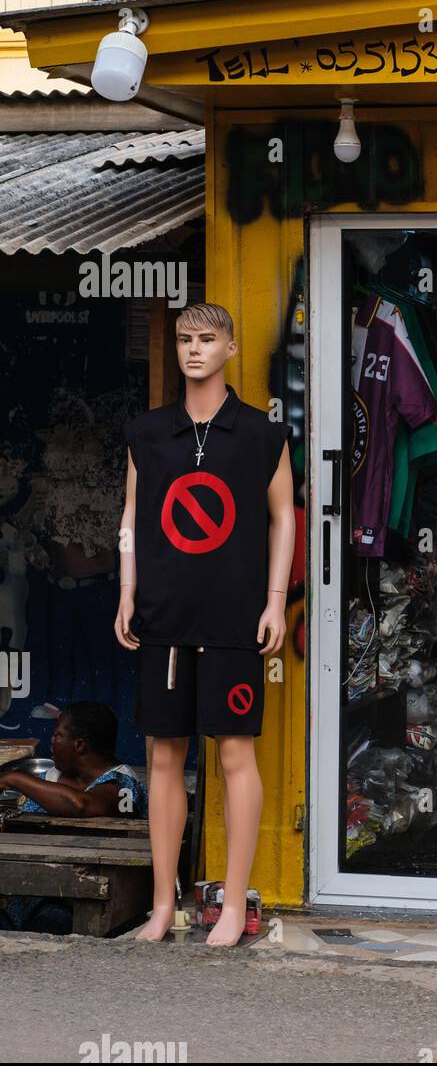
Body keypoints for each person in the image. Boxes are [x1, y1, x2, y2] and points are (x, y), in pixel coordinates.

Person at [114, 302, 295, 947]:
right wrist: (127, 590)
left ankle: (229, 902)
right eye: (185, 339)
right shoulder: (147, 433)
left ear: (231, 348)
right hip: (162, 613)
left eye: (207, 339)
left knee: (235, 754)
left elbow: (285, 519)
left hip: (233, 616)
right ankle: (162, 907)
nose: (193, 349)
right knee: (164, 755)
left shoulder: (262, 435)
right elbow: (132, 518)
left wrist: (275, 600)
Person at [0, 702, 146, 933]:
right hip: (18, 894)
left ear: (79, 745)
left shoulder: (123, 785)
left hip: (71, 899)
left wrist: (12, 778)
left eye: (58, 735)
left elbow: (81, 805)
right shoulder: (53, 776)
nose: (51, 741)